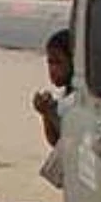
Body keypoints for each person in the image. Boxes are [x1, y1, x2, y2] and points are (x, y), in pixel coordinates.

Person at [33, 30, 74, 189]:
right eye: (50, 62)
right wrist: (46, 114)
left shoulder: (76, 100)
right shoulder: (65, 97)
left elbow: (71, 139)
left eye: (58, 62)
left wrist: (50, 113)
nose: (52, 69)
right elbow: (56, 142)